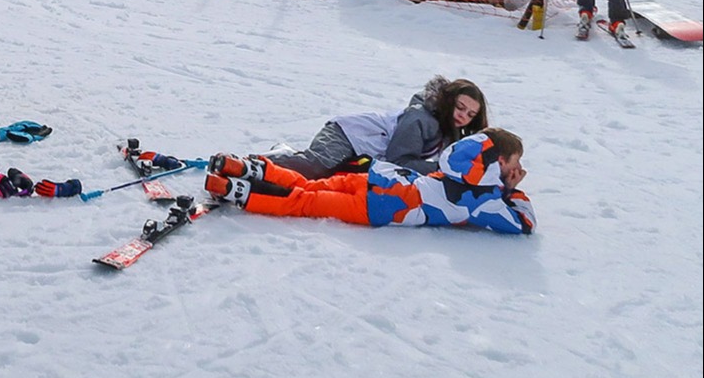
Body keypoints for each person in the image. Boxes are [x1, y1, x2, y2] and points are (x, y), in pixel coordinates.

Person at [205, 129, 535, 236]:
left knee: (311, 189)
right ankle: (240, 191)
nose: (518, 171)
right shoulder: (486, 201)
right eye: (515, 164)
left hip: (380, 179)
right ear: (502, 163)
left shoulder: (458, 166)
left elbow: (457, 155)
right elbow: (523, 223)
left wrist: (489, 146)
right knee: (305, 201)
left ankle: (249, 171)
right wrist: (512, 189)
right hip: (381, 206)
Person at [258, 77, 489, 179]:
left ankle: (283, 154)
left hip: (363, 152)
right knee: (317, 167)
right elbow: (398, 161)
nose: (463, 116)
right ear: (448, 101)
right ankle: (249, 166)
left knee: (328, 178)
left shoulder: (448, 130)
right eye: (460, 107)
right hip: (346, 135)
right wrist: (439, 168)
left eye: (470, 114)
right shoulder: (420, 119)